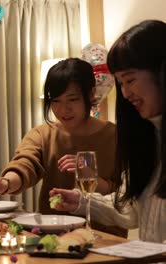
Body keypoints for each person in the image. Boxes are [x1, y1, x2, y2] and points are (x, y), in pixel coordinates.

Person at [50, 20, 166, 243]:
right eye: (120, 83)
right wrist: (80, 202)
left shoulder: (111, 133)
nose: (125, 93)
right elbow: (129, 210)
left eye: (130, 79)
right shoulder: (146, 139)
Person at [0, 58, 127, 236]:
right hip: (52, 237)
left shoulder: (116, 136)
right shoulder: (43, 134)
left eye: (72, 99)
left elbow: (124, 198)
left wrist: (88, 174)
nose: (63, 110)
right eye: (55, 101)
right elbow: (25, 164)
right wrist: (4, 184)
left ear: (90, 94)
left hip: (106, 239)